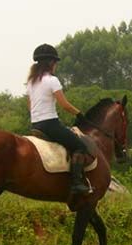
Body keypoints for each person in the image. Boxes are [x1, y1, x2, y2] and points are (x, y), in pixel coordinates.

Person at [26, 43, 91, 195]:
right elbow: (65, 105)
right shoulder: (52, 80)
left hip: (36, 124)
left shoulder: (31, 82)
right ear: (51, 63)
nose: (56, 66)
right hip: (50, 124)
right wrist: (80, 114)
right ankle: (76, 183)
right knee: (80, 146)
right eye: (55, 62)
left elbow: (30, 107)